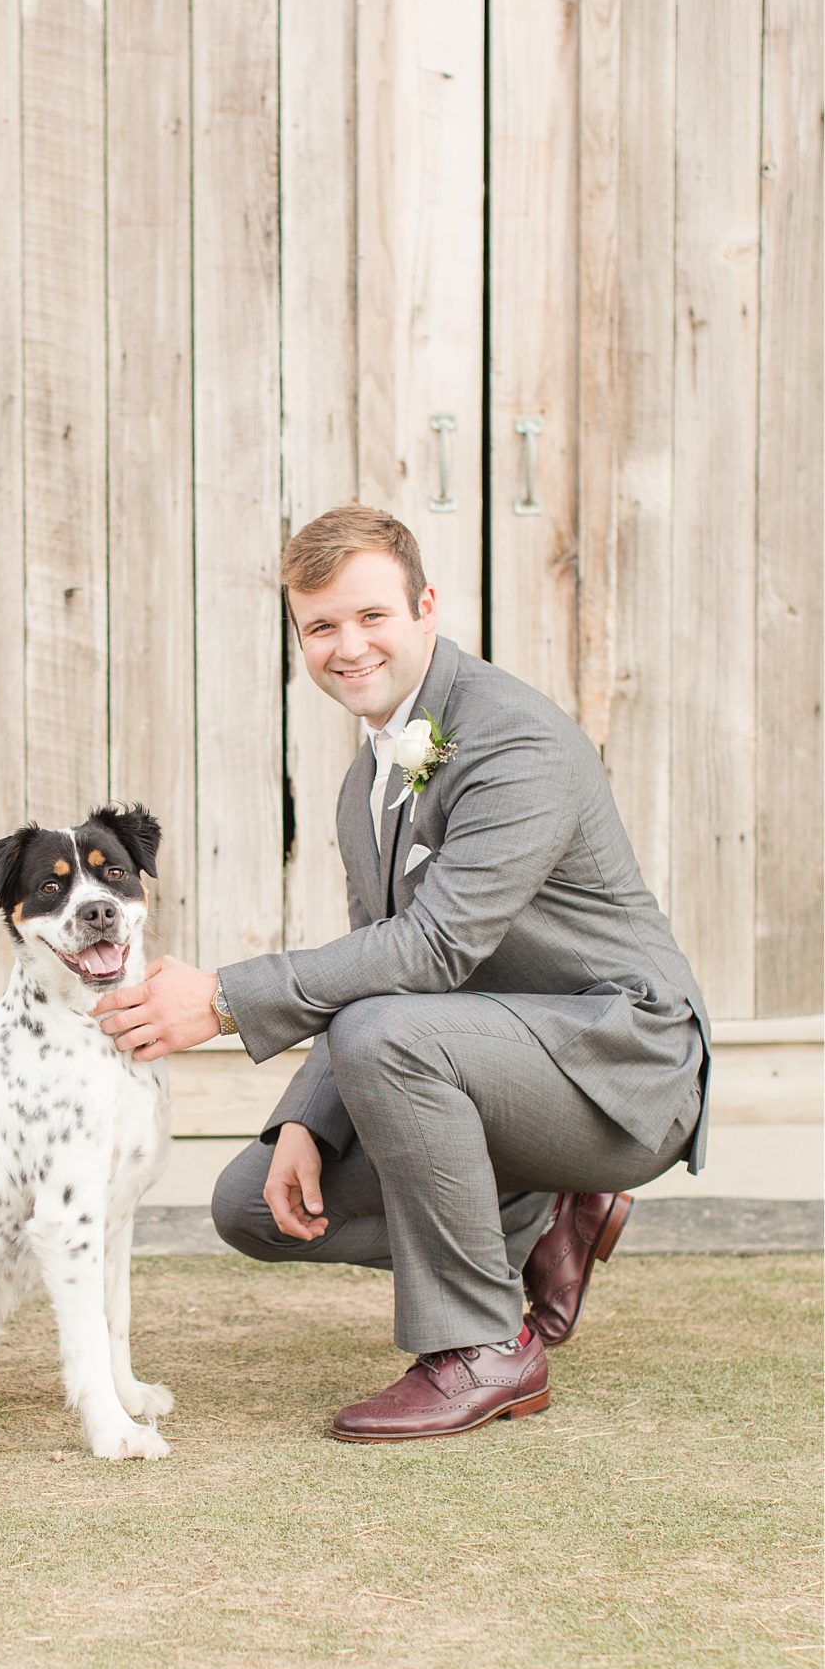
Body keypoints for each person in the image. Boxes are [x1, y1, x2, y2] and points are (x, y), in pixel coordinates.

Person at [92, 504, 710, 1442]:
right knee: (251, 1207)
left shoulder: (514, 742)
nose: (347, 646)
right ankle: (542, 1227)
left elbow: (430, 954)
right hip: (492, 1060)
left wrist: (218, 1000)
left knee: (391, 1036)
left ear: (426, 607)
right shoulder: (365, 783)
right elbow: (372, 974)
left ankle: (483, 1348)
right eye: (321, 626)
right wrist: (309, 1115)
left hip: (624, 1066)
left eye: (371, 615)